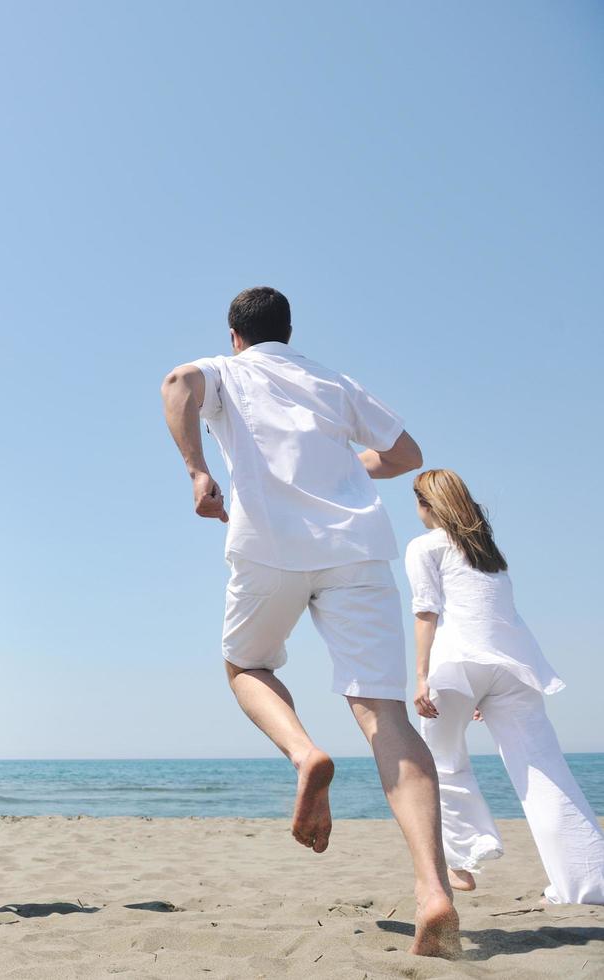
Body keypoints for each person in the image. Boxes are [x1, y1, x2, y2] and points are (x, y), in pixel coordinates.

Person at [160, 287, 459, 957]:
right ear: (288, 333)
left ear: (236, 336)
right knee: (386, 718)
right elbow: (407, 453)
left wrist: (196, 472)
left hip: (268, 546)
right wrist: (346, 470)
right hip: (356, 551)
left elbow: (178, 382)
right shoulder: (333, 380)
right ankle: (432, 889)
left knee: (245, 665)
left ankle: (304, 752)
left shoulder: (228, 371)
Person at [407, 468, 604, 904]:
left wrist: (421, 676)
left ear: (427, 505)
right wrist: (486, 689)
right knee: (544, 769)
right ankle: (588, 880)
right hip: (513, 665)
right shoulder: (488, 552)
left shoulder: (425, 547)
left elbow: (426, 613)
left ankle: (465, 856)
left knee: (442, 759)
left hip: (458, 663)